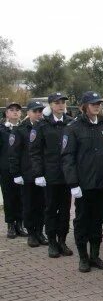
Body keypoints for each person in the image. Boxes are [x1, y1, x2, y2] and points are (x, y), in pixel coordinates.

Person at [62, 91, 103, 271]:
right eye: (93, 104)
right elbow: (68, 158)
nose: (97, 106)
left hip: (101, 183)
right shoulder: (73, 127)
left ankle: (95, 256)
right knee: (82, 220)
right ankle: (83, 257)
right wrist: (73, 184)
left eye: (98, 103)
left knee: (97, 221)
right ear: (84, 106)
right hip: (83, 184)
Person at [29, 92, 73, 258]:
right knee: (51, 209)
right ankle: (52, 242)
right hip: (50, 174)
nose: (61, 105)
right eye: (57, 102)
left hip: (67, 174)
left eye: (63, 102)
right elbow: (35, 151)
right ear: (50, 105)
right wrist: (38, 173)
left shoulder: (70, 123)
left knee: (65, 210)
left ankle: (62, 240)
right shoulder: (42, 125)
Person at [10, 101, 47, 247]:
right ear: (29, 112)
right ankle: (31, 233)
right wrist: (16, 173)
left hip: (43, 174)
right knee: (29, 205)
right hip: (27, 174)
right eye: (35, 111)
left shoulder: (45, 127)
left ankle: (40, 231)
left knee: (42, 205)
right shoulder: (20, 130)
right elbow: (14, 153)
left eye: (40, 111)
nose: (39, 114)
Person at [2, 102, 25, 239]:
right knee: (9, 197)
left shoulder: (24, 128)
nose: (15, 112)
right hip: (6, 169)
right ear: (7, 113)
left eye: (18, 110)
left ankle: (20, 224)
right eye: (12, 110)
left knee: (21, 197)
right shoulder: (2, 129)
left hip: (21, 169)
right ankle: (10, 224)